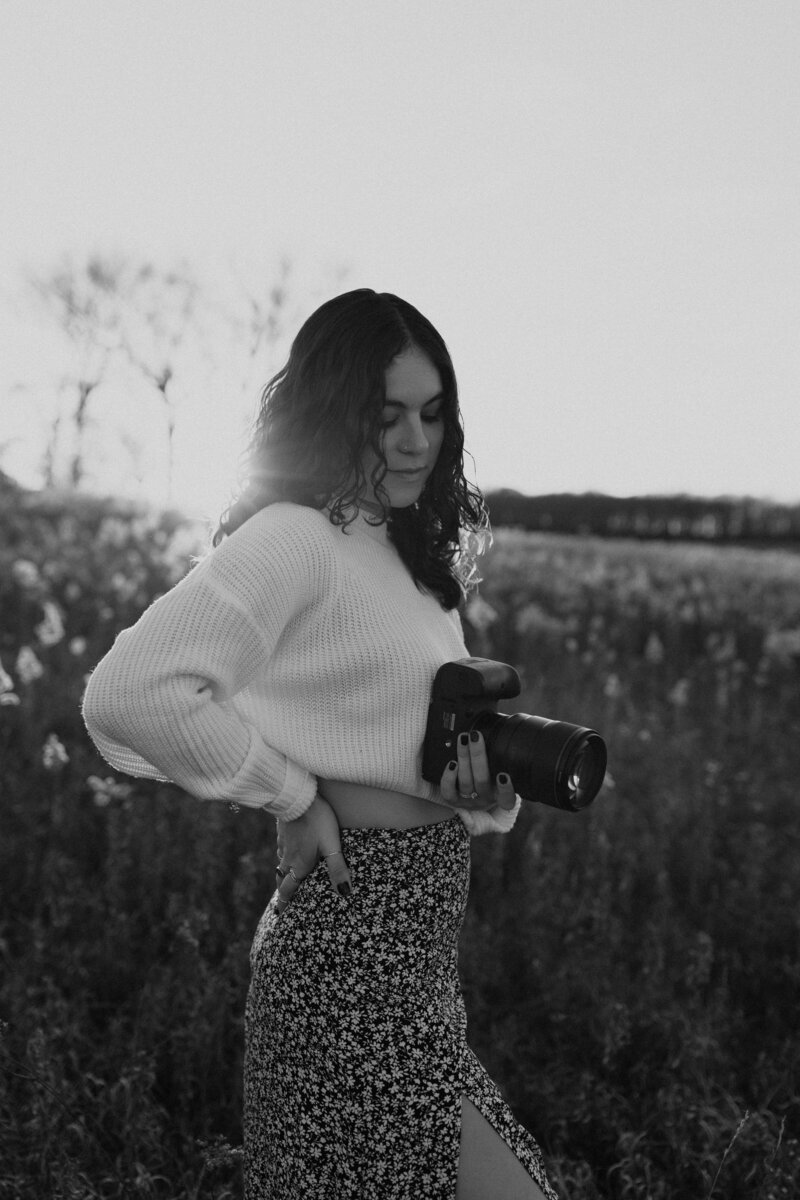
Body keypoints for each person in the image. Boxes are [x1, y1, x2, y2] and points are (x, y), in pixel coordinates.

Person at [82, 289, 559, 1199]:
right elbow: (129, 693)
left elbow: (391, 744)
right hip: (343, 954)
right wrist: (289, 796)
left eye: (432, 413)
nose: (417, 441)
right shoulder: (294, 539)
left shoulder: (416, 561)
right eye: (387, 418)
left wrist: (480, 793)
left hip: (418, 964)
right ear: (332, 412)